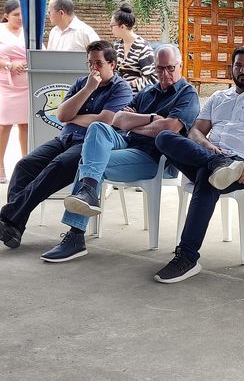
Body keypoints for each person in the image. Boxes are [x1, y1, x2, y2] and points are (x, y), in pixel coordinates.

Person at [40, 44, 200, 262]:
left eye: (170, 68)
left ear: (180, 65)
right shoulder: (148, 91)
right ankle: (88, 192)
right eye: (160, 68)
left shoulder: (187, 94)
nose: (165, 74)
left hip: (154, 157)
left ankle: (76, 235)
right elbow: (117, 119)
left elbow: (169, 128)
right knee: (98, 128)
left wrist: (135, 124)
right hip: (128, 143)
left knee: (90, 162)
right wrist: (151, 118)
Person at [153, 45, 244, 284]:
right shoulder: (218, 97)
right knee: (164, 137)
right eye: (238, 65)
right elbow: (195, 131)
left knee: (207, 178)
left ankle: (187, 257)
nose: (243, 70)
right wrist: (207, 146)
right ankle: (217, 163)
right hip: (209, 156)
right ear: (231, 69)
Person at [0, 41, 133, 249]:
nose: (93, 69)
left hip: (89, 145)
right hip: (65, 139)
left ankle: (7, 219)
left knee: (58, 166)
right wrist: (88, 89)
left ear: (112, 64)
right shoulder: (82, 83)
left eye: (98, 63)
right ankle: (14, 227)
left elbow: (104, 121)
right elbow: (62, 115)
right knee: (24, 165)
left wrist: (75, 117)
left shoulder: (121, 88)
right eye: (90, 63)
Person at [0, 0, 28, 183]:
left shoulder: (29, 32)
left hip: (26, 82)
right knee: (4, 125)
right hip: (5, 83)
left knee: (25, 125)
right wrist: (9, 65)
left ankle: (27, 164)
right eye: (16, 14)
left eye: (22, 14)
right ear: (6, 15)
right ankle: (0, 166)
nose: (20, 18)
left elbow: (39, 51)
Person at [110, 4, 158, 94]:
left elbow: (153, 78)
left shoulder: (142, 47)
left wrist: (130, 84)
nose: (110, 29)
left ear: (122, 27)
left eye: (112, 25)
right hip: (117, 93)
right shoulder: (116, 46)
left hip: (137, 96)